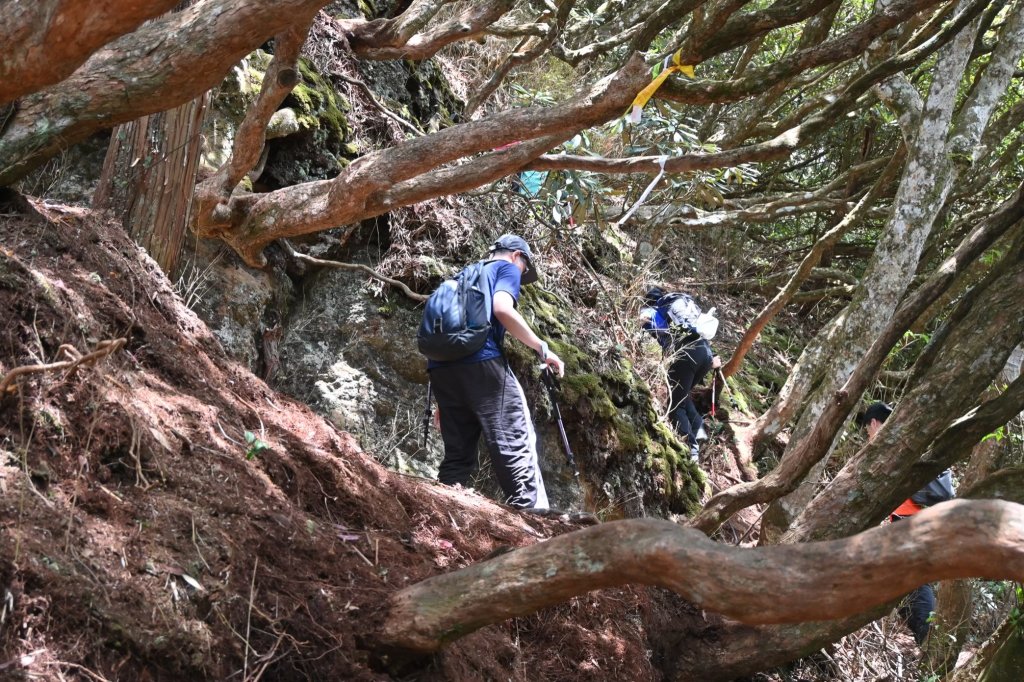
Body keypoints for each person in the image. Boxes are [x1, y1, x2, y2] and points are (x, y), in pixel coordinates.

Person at [428, 234, 564, 510]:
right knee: (515, 441)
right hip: (484, 364)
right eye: (524, 267)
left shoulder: (461, 276)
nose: (521, 274)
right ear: (516, 255)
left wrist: (443, 399)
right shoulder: (505, 268)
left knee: (457, 455)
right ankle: (532, 519)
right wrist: (542, 348)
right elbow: (502, 308)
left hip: (442, 369)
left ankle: (443, 515)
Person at [857, 401, 955, 646]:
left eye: (867, 429)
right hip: (915, 521)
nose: (869, 434)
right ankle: (926, 639)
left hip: (912, 522)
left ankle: (929, 640)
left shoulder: (895, 446)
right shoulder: (910, 442)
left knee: (914, 582)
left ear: (874, 423)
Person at [641, 287, 720, 460]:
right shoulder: (683, 302)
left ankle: (691, 451)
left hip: (687, 354)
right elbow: (694, 330)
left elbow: (650, 326)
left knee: (675, 404)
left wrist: (644, 321)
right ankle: (700, 435)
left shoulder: (658, 309)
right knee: (682, 397)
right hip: (705, 354)